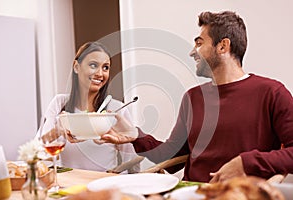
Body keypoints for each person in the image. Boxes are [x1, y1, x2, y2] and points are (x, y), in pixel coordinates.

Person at [98, 11, 293, 182]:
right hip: (192, 192)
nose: (192, 52)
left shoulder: (272, 93)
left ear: (223, 46)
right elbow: (172, 157)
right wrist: (135, 136)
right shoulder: (193, 98)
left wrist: (247, 163)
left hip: (240, 195)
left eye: (199, 43)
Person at [39, 41, 140, 173]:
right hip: (69, 186)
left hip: (105, 185)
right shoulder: (59, 103)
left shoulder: (117, 110)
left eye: (105, 68)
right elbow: (37, 151)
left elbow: (132, 161)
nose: (100, 73)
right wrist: (57, 130)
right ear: (76, 67)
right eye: (93, 65)